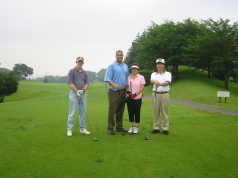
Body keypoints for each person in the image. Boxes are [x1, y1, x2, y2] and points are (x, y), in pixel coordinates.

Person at [104, 50, 129, 135]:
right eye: (118, 55)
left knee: (120, 110)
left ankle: (119, 127)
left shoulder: (125, 66)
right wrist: (114, 85)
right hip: (113, 91)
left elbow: (127, 78)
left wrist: (127, 88)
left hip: (123, 91)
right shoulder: (111, 66)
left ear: (123, 56)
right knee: (113, 110)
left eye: (121, 55)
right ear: (115, 56)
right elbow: (107, 79)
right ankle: (110, 128)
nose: (120, 57)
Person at [66, 56, 90, 136]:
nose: (80, 63)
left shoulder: (84, 72)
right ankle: (69, 129)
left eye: (81, 62)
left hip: (83, 93)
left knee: (83, 112)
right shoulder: (72, 71)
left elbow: (87, 84)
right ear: (76, 62)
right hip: (74, 94)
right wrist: (77, 91)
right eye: (78, 61)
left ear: (83, 63)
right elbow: (70, 83)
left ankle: (82, 128)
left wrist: (82, 91)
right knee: (72, 112)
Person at [150, 58, 172, 135]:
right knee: (156, 111)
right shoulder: (153, 74)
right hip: (155, 94)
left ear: (164, 65)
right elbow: (152, 81)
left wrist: (159, 83)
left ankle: (165, 128)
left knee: (164, 111)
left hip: (164, 94)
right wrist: (155, 82)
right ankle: (156, 127)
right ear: (156, 65)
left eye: (161, 64)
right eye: (158, 64)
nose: (160, 65)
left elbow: (167, 82)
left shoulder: (168, 74)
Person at [126, 63, 146, 134]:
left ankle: (136, 127)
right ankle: (131, 126)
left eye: (135, 69)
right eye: (133, 69)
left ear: (138, 70)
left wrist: (135, 94)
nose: (134, 70)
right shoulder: (129, 77)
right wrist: (128, 92)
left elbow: (142, 87)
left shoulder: (141, 77)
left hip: (137, 97)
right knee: (130, 112)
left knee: (137, 112)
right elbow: (127, 86)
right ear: (131, 70)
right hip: (130, 98)